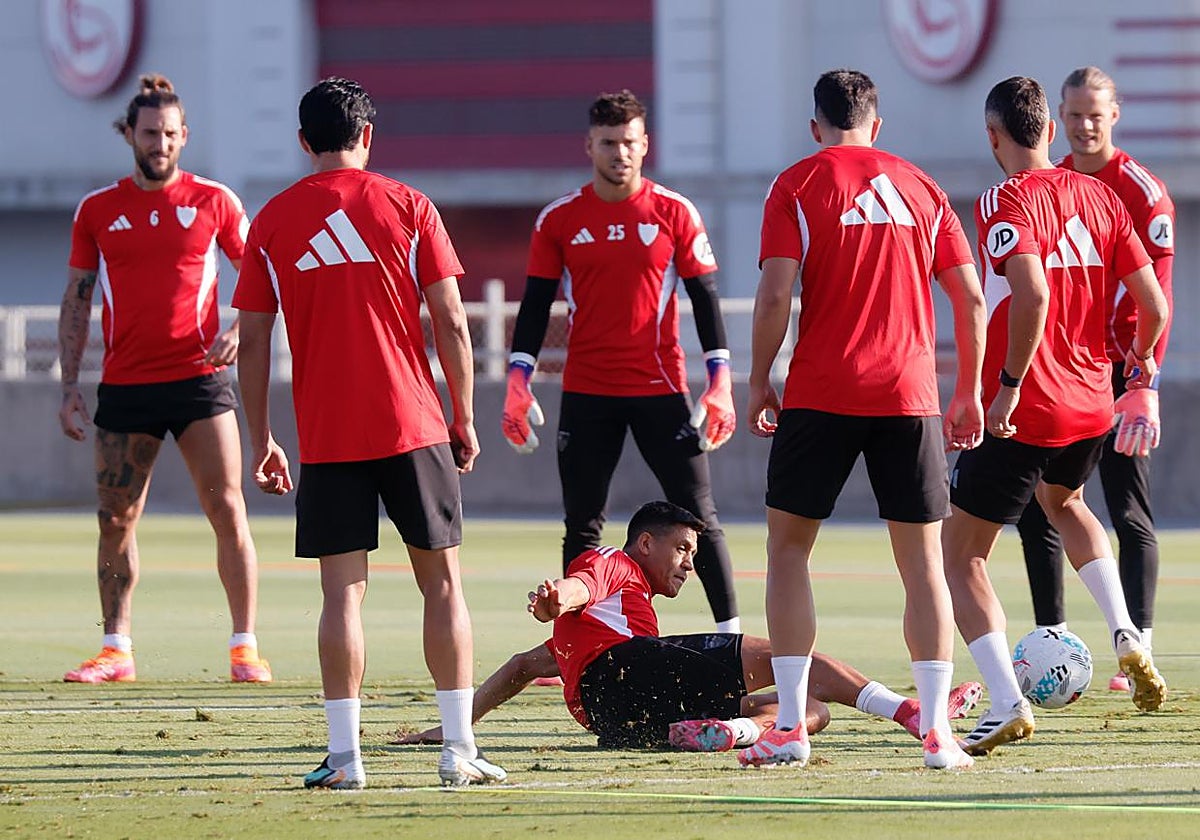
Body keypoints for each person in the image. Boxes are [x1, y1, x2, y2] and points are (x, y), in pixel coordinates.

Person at [232, 77, 504, 789]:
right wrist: (465, 413)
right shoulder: (410, 205)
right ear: (369, 136)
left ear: (302, 142)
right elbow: (449, 319)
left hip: (326, 436)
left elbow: (252, 341)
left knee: (340, 595)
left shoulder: (272, 220)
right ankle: (457, 750)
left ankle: (346, 758)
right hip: (414, 423)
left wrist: (260, 436)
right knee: (441, 585)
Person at [744, 69, 987, 770]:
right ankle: (938, 733)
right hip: (909, 396)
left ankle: (790, 726)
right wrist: (967, 389)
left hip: (821, 393)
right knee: (923, 569)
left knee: (789, 552)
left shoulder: (796, 183)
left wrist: (760, 381)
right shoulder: (924, 187)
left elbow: (773, 298)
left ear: (815, 125)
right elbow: (971, 300)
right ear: (876, 126)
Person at [944, 76, 1169, 757]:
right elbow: (1154, 305)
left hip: (1029, 405)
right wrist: (1137, 365)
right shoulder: (1101, 194)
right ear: (1050, 128)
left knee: (962, 557)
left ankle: (1007, 703)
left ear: (994, 137)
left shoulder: (1003, 197)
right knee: (1066, 501)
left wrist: (1007, 386)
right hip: (1092, 401)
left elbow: (1031, 292)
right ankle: (1127, 633)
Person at [423, 500, 978, 752]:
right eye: (682, 548)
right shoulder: (616, 565)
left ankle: (733, 735)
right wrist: (555, 599)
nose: (689, 561)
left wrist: (451, 726)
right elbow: (580, 587)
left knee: (806, 712)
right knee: (801, 662)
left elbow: (523, 666)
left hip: (612, 722)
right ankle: (918, 714)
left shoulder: (592, 632)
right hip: (626, 672)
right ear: (645, 543)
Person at [58, 74, 271, 685]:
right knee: (114, 517)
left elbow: (262, 273)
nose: (162, 144)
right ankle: (116, 648)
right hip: (124, 385)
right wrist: (68, 385)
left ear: (185, 136)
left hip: (200, 380)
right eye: (151, 133)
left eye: (172, 134)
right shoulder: (97, 210)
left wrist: (241, 326)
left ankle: (243, 647)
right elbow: (76, 298)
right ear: (129, 134)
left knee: (228, 507)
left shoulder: (215, 201)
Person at [502, 90, 741, 633]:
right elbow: (536, 305)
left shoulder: (675, 212)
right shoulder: (559, 219)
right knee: (581, 524)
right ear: (589, 145)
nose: (620, 153)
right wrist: (519, 379)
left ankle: (730, 638)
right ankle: (576, 639)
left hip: (660, 389)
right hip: (588, 391)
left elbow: (705, 299)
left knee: (699, 517)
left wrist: (720, 381)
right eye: (608, 142)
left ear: (644, 144)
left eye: (629, 142)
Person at [1016, 67, 1176, 694]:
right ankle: (1051, 639)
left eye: (1096, 115)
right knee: (1038, 505)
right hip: (1055, 368)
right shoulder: (1046, 184)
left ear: (1116, 116)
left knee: (1126, 506)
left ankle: (1138, 642)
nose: (1084, 127)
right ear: (1057, 117)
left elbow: (1156, 295)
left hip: (1118, 373)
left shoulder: (1139, 190)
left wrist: (1144, 380)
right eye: (1074, 115)